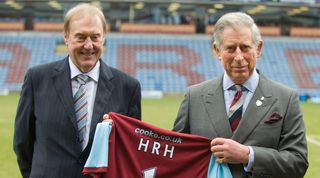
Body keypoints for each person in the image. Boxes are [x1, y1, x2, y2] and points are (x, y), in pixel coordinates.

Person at [173, 12, 308, 178]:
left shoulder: (286, 99)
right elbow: (176, 156)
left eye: (245, 47)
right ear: (217, 50)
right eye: (230, 48)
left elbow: (298, 162)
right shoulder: (194, 97)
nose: (238, 57)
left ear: (258, 48)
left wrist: (248, 155)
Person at [13, 3, 141, 178]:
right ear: (66, 37)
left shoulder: (128, 88)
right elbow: (22, 143)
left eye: (95, 37)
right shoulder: (37, 79)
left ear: (103, 37)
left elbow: (130, 151)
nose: (88, 45)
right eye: (81, 37)